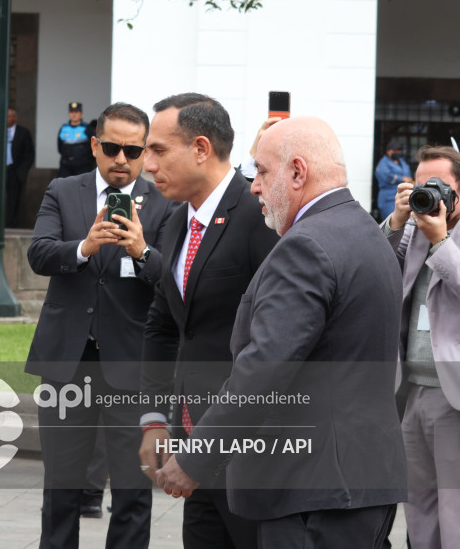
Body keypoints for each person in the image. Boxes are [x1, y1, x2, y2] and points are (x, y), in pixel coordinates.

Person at [155, 116, 407, 548]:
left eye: (263, 171)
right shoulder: (366, 230)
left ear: (297, 171)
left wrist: (196, 458)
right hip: (360, 482)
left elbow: (264, 369)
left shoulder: (305, 246)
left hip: (312, 491)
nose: (253, 185)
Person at [26, 102, 177, 549]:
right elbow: (39, 253)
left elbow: (173, 280)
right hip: (67, 364)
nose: (121, 160)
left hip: (131, 366)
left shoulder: (164, 205)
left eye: (133, 151)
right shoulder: (63, 191)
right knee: (61, 488)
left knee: (133, 490)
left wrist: (143, 252)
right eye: (111, 147)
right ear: (94, 145)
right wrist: (83, 247)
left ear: (146, 152)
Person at [138, 93, 278, 548]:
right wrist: (155, 418)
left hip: (250, 452)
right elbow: (163, 326)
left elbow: (272, 345)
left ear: (201, 148)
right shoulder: (176, 223)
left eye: (158, 150)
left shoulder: (260, 217)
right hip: (191, 442)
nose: (147, 165)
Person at [382, 145, 460, 548]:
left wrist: (442, 240)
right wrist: (396, 220)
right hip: (410, 389)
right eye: (419, 184)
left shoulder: (438, 233)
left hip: (455, 396)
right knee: (419, 504)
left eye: (439, 186)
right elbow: (375, 263)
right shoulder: (412, 227)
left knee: (454, 507)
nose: (429, 193)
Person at [5, 108, 35, 228]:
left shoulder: (23, 132)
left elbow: (29, 154)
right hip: (1, 171)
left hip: (15, 170)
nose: (7, 119)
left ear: (15, 117)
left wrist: (21, 172)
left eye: (10, 116)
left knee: (14, 200)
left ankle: (11, 225)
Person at [376, 139, 413, 218]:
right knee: (391, 220)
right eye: (395, 150)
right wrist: (402, 179)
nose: (397, 152)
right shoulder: (383, 163)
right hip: (389, 198)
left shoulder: (402, 161)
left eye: (399, 150)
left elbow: (408, 173)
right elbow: (386, 176)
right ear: (388, 151)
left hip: (405, 197)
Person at [57, 101, 95, 178]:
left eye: (76, 112)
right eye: (72, 112)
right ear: (69, 113)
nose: (74, 114)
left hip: (83, 167)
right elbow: (60, 148)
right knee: (64, 187)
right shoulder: (64, 128)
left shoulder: (87, 128)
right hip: (66, 167)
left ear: (81, 113)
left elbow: (94, 146)